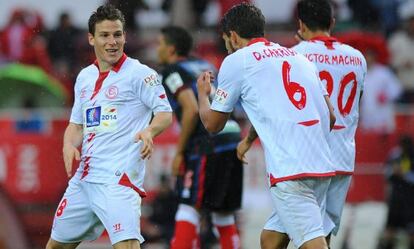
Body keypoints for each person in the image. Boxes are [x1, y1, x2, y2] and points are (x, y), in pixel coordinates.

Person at [197, 3, 336, 249]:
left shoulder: (237, 60)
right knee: (271, 240)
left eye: (226, 40)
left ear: (233, 36)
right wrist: (251, 139)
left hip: (291, 169)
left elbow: (213, 124)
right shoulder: (297, 56)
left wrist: (202, 94)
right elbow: (330, 115)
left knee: (312, 244)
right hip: (322, 162)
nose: (227, 46)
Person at [45, 4, 172, 249]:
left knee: (126, 246)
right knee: (55, 247)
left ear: (125, 35)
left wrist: (149, 131)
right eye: (105, 35)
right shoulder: (84, 77)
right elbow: (76, 124)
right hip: (84, 180)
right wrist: (68, 144)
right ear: (91, 39)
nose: (112, 41)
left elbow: (164, 114)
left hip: (118, 180)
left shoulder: (141, 74)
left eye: (117, 34)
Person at [157, 25, 243, 249]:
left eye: (160, 44)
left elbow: (191, 109)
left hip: (208, 141)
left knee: (189, 205)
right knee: (223, 212)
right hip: (232, 135)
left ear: (171, 49)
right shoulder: (205, 64)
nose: (157, 49)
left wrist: (179, 153)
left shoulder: (172, 71)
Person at [378, 135, 414, 249]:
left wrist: (405, 175)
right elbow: (386, 172)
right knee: (390, 228)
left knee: (411, 229)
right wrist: (393, 172)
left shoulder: (412, 156)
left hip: (410, 198)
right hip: (396, 197)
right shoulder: (394, 155)